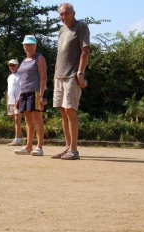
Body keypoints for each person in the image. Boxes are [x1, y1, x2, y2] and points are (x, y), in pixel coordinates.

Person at [52, 3, 90, 160]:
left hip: (72, 76)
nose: (63, 16)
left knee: (70, 111)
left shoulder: (81, 26)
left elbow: (85, 51)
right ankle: (67, 147)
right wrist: (55, 75)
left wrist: (80, 72)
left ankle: (74, 150)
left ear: (73, 13)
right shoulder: (61, 30)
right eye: (61, 14)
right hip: (59, 77)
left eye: (66, 13)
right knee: (62, 111)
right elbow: (59, 55)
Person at [14, 35, 48, 156]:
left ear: (35, 45)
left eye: (31, 44)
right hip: (24, 93)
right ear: (23, 47)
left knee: (37, 118)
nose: (28, 47)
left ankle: (39, 147)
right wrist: (18, 97)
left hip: (36, 92)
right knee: (28, 119)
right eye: (26, 45)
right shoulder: (23, 61)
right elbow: (22, 80)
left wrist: (42, 94)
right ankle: (29, 146)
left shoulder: (39, 58)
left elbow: (43, 77)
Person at [6, 59, 23, 146]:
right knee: (15, 120)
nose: (11, 67)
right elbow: (9, 89)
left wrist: (18, 100)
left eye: (13, 65)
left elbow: (22, 88)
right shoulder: (9, 77)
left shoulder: (20, 75)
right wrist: (7, 101)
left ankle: (18, 139)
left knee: (17, 119)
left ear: (17, 66)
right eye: (10, 65)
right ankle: (18, 138)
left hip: (17, 101)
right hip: (11, 101)